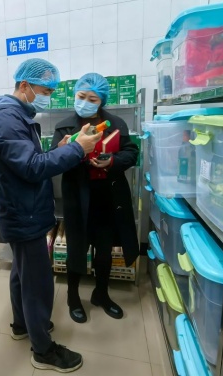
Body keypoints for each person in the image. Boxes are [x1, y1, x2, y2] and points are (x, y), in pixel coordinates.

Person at [0, 58, 102, 373]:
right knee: (37, 282)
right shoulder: (6, 119)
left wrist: (61, 148)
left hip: (23, 207)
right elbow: (33, 168)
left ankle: (23, 324)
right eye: (45, 91)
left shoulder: (16, 115)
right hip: (24, 212)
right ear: (25, 85)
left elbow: (27, 161)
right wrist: (78, 149)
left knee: (23, 273)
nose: (48, 97)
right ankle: (43, 351)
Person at [51, 73, 139, 324]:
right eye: (81, 97)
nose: (85, 103)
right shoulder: (64, 127)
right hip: (77, 196)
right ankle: (73, 297)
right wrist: (63, 149)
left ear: (102, 101)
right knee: (76, 249)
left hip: (107, 196)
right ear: (75, 95)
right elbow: (52, 160)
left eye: (93, 99)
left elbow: (131, 153)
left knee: (104, 249)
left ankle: (101, 294)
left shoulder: (116, 124)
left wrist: (111, 161)